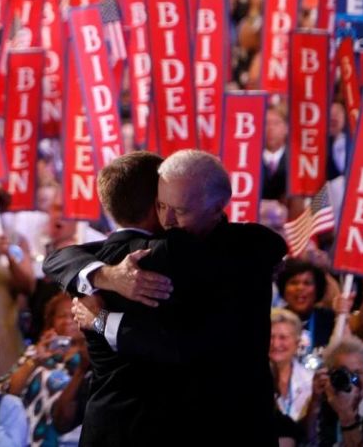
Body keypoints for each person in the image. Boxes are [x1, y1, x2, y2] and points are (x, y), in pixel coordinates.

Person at [45, 150, 288, 445]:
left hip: (230, 423)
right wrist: (107, 276)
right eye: (162, 206)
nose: (168, 220)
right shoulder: (138, 257)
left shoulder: (244, 252)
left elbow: (182, 345)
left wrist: (100, 319)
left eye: (179, 209)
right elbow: (59, 258)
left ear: (216, 208)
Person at [6, 293, 88, 446]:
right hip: (30, 438)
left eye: (74, 315)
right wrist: (37, 358)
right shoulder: (35, 351)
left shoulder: (93, 358)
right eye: (61, 316)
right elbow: (11, 392)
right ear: (52, 321)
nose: (68, 321)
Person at [305, 337, 363, 445]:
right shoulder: (328, 403)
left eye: (356, 373)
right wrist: (315, 400)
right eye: (344, 374)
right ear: (330, 374)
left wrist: (346, 415)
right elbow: (310, 441)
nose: (351, 381)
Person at [277, 258, 337, 351]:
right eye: (294, 282)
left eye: (307, 283)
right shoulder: (274, 320)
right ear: (283, 289)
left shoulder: (329, 319)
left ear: (317, 289)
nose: (300, 288)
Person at [271, 308, 314, 427]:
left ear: (297, 342)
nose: (275, 344)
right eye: (270, 337)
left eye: (283, 337)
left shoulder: (310, 381)